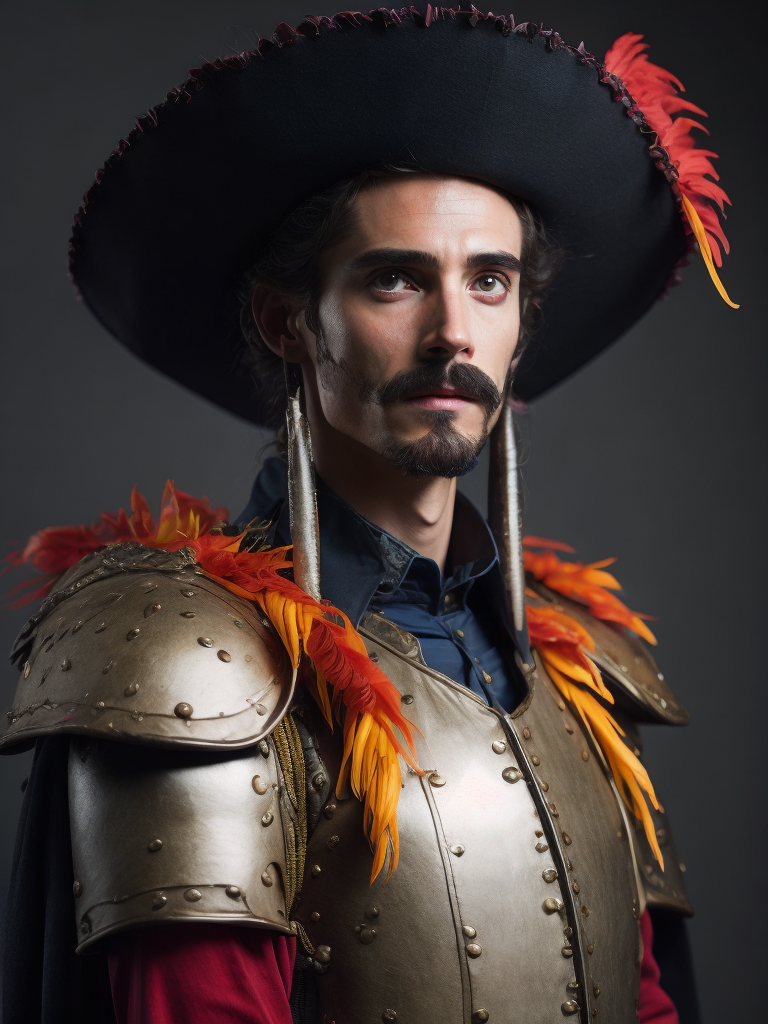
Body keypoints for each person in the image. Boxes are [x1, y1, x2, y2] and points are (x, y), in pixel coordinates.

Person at [1, 8, 735, 1023]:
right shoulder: (192, 661)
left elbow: (642, 997)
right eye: (396, 278)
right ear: (288, 322)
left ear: (521, 327)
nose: (452, 333)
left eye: (490, 281)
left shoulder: (581, 670)